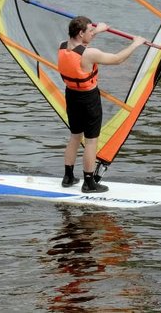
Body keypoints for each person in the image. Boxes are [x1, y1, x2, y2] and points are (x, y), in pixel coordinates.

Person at [59, 16, 146, 193]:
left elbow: (81, 44)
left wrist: (98, 30)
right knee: (91, 141)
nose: (93, 33)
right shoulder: (90, 54)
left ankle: (68, 177)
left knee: (75, 136)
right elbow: (117, 59)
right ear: (81, 33)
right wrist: (135, 44)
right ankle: (89, 183)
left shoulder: (62, 45)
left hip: (71, 96)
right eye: (90, 31)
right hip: (88, 99)